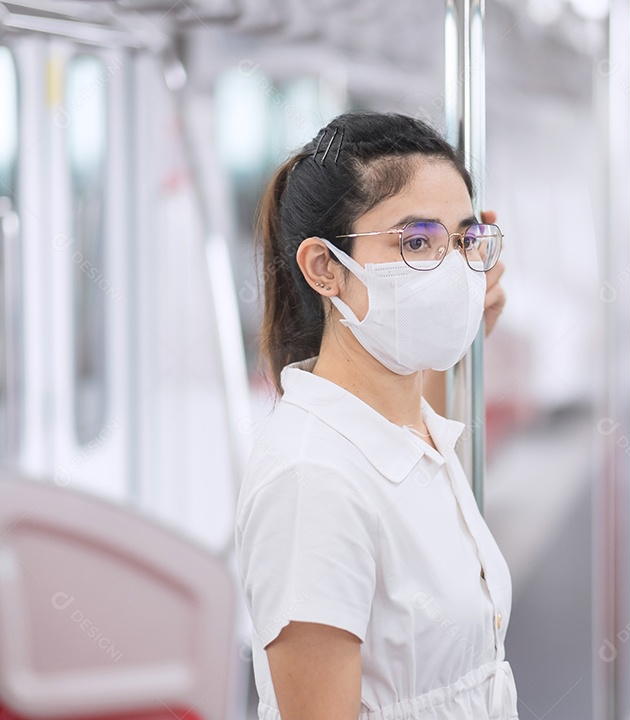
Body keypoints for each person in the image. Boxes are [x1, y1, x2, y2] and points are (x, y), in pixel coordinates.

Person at [234, 111, 516, 720]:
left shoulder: (414, 432)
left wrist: (467, 316)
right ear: (325, 269)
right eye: (416, 242)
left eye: (464, 240)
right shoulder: (312, 482)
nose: (451, 270)